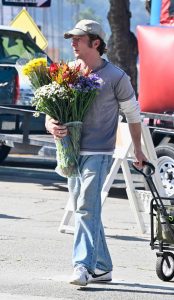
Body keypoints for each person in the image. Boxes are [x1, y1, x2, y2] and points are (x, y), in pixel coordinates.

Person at [45, 19, 147, 286]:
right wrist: (51, 125)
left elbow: (133, 115)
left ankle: (82, 266)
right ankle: (103, 267)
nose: (73, 42)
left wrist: (138, 150)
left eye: (78, 38)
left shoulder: (116, 77)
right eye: (72, 38)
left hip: (99, 152)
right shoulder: (68, 73)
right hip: (70, 151)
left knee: (86, 208)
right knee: (86, 209)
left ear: (96, 43)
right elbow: (51, 111)